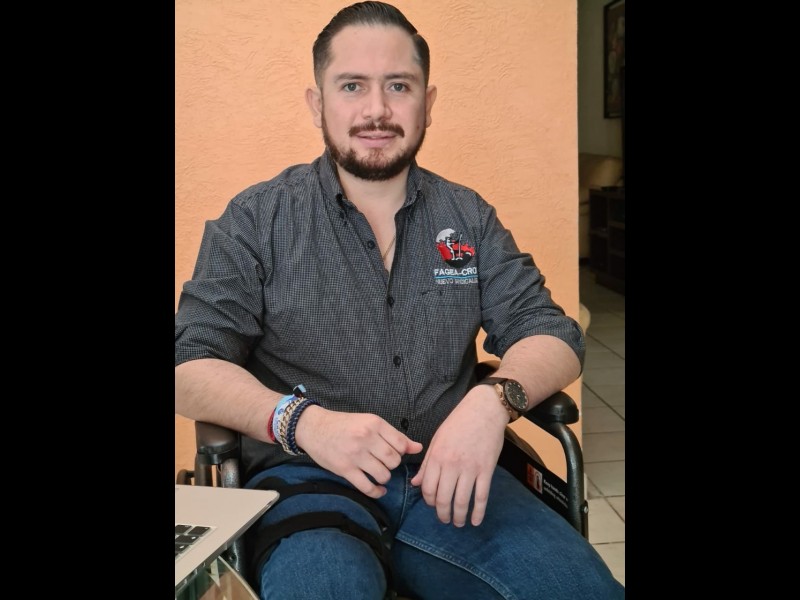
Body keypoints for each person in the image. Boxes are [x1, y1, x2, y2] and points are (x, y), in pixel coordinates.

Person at [175, 2, 625, 599]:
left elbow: (552, 332)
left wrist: (493, 403)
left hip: (454, 478)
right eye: (352, 86)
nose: (377, 110)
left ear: (427, 103)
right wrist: (304, 423)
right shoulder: (256, 219)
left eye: (398, 86)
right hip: (309, 484)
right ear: (317, 103)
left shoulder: (467, 216)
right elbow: (188, 365)